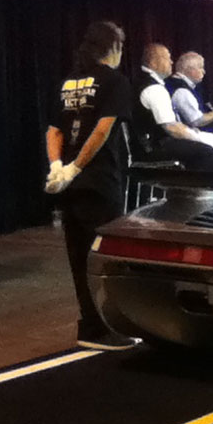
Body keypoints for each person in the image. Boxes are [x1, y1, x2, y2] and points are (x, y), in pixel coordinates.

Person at [44, 20, 138, 350]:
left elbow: (54, 131)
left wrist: (57, 167)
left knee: (78, 254)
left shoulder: (68, 82)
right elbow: (102, 130)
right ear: (113, 47)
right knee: (103, 254)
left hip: (69, 185)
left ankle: (88, 323)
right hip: (98, 180)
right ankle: (103, 327)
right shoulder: (115, 81)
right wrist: (76, 168)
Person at [130, 43, 213, 171]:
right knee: (206, 153)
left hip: (148, 144)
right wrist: (200, 138)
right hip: (152, 147)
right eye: (167, 58)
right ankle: (192, 185)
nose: (171, 62)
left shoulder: (142, 81)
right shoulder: (154, 89)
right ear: (153, 62)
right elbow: (172, 128)